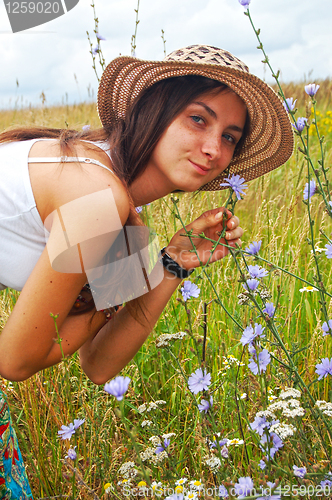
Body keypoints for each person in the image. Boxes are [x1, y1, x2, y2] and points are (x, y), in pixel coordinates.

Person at [0, 45, 293, 497]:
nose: (214, 149)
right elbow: (15, 361)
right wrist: (136, 269)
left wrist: (169, 264)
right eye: (199, 119)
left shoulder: (117, 202)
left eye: (230, 137)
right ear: (154, 109)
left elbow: (99, 364)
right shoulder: (97, 195)